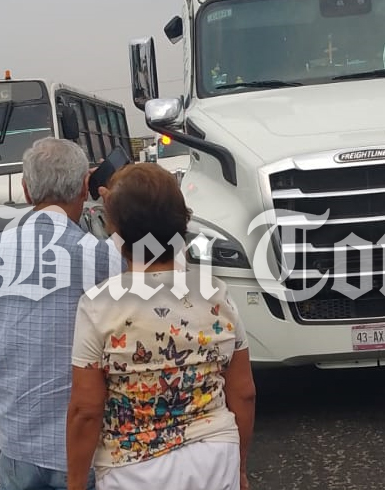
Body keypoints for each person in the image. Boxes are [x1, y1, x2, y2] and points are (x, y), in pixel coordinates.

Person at [66, 163, 257, 490]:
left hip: (132, 466)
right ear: (182, 222)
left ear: (116, 230)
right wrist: (239, 468)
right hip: (214, 455)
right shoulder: (216, 293)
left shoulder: (98, 305)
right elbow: (244, 392)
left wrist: (74, 483)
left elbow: (86, 409)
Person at [0, 137, 124, 490]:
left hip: (17, 446)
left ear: (26, 190)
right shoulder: (103, 257)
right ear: (85, 188)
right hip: (87, 451)